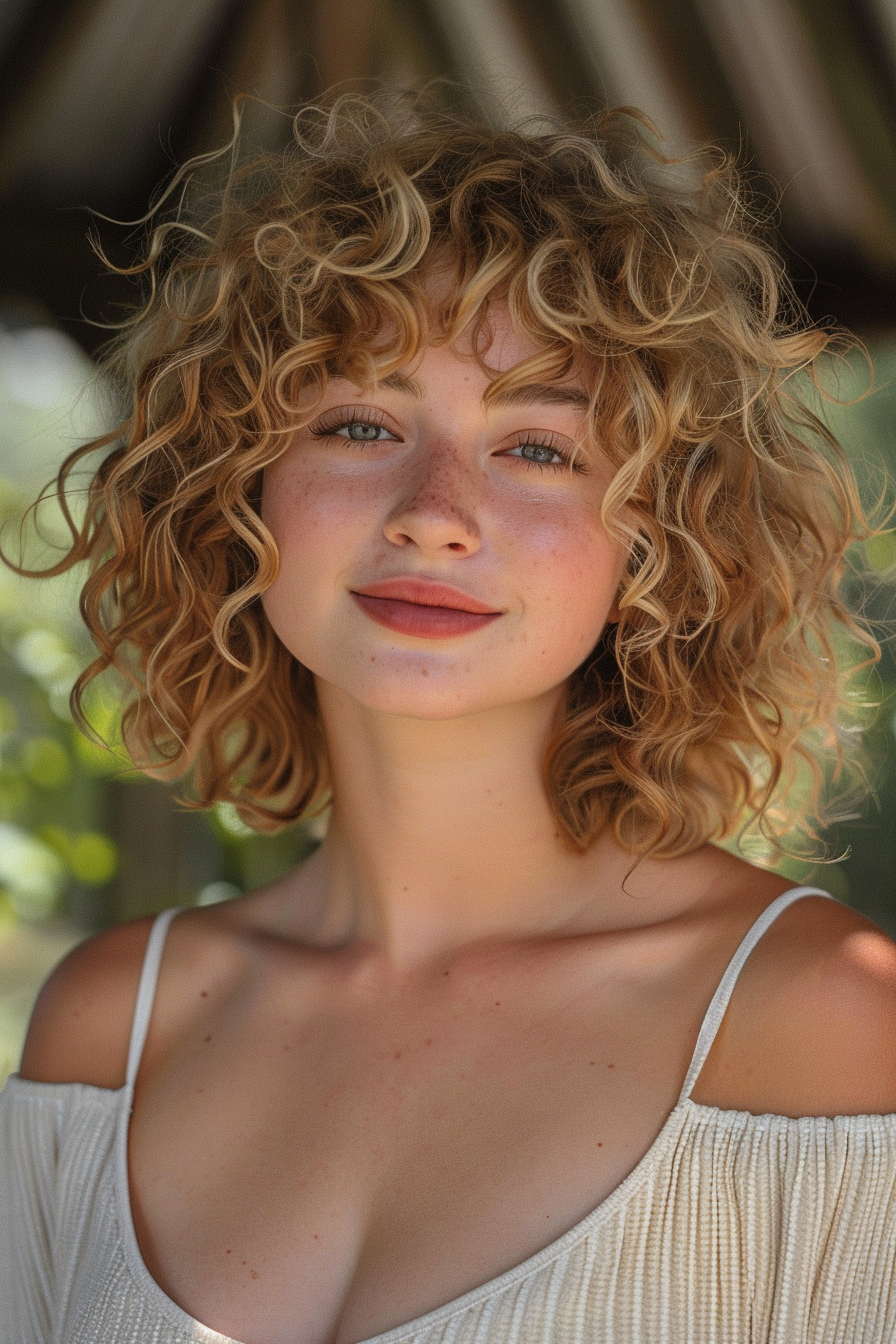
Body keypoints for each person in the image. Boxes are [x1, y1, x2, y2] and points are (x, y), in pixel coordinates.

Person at [2, 91, 896, 1344]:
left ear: (659, 537)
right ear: (232, 490)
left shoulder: (825, 1023)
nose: (432, 509)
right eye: (360, 424)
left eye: (537, 447)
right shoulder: (112, 1028)